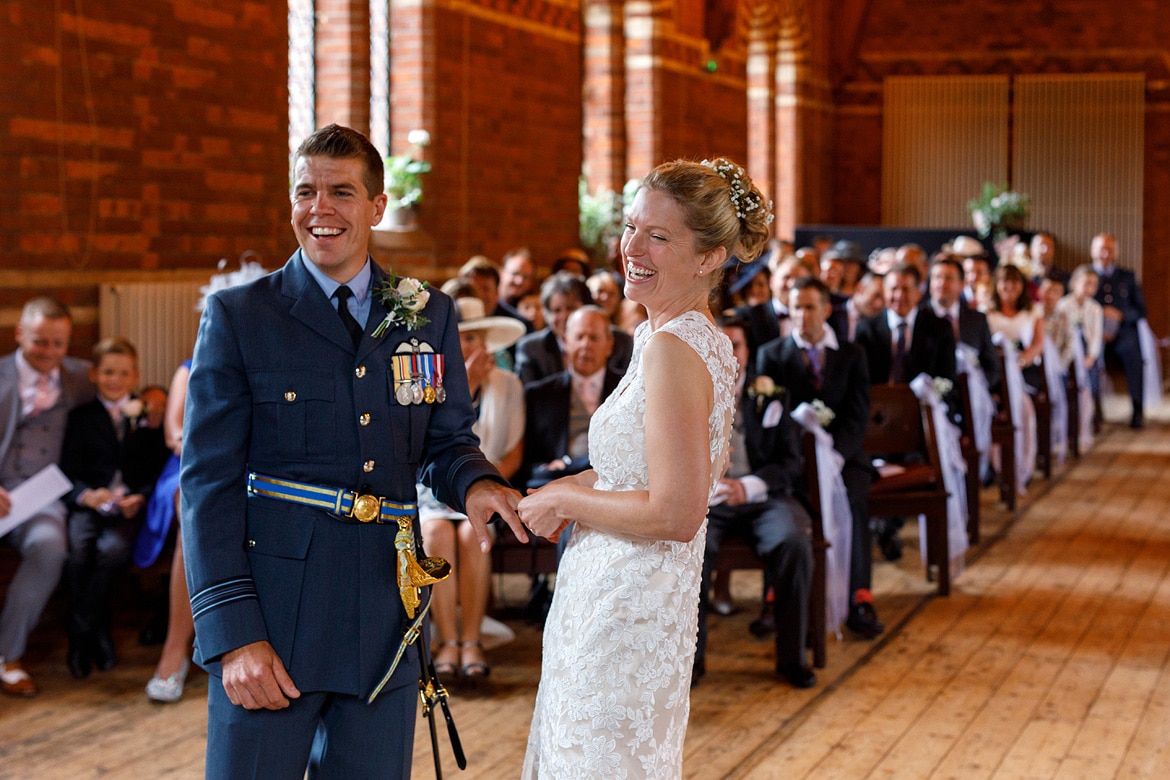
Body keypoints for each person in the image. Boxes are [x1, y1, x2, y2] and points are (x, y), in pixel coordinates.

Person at [180, 124, 526, 779]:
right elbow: (207, 485)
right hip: (274, 619)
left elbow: (444, 441)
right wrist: (233, 636)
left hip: (382, 620)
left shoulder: (425, 315)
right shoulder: (241, 316)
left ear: (376, 206)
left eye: (341, 191)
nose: (320, 209)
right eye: (305, 191)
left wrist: (477, 486)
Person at [517, 157, 771, 776]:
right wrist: (557, 488)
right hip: (616, 591)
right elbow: (632, 471)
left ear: (709, 257)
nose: (633, 247)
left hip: (628, 607)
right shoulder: (679, 335)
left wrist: (565, 503)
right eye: (632, 227)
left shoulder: (675, 348)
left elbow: (678, 510)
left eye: (659, 236)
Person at [695, 313, 815, 688]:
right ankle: (690, 666)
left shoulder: (770, 395)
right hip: (707, 502)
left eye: (737, 345)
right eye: (720, 344)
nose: (729, 353)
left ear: (748, 351)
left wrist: (750, 485)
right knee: (690, 549)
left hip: (764, 498)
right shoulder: (689, 393)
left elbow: (790, 464)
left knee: (793, 540)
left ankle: (792, 658)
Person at [757, 278, 881, 639]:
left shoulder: (851, 354)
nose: (802, 315)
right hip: (791, 461)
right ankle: (774, 594)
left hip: (844, 459)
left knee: (856, 498)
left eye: (810, 307)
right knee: (781, 502)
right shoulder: (772, 354)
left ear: (826, 310)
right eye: (796, 307)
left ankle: (859, 595)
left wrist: (835, 458)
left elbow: (858, 415)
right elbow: (768, 418)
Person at [419, 296, 526, 683]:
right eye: (462, 339)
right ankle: (446, 639)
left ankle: (471, 639)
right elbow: (427, 448)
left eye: (476, 339)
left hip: (485, 487)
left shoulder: (509, 385)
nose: (470, 348)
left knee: (472, 533)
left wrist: (485, 484)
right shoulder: (428, 381)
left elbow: (512, 453)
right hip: (430, 491)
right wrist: (465, 387)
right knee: (435, 532)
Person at [0, 298, 95, 697]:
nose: (50, 353)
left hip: (43, 497)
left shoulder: (81, 377)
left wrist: (155, 402)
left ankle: (8, 656)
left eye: (59, 344)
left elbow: (120, 395)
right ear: (20, 333)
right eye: (41, 342)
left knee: (50, 547)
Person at [60, 337, 170, 679]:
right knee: (78, 551)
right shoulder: (81, 417)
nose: (114, 379)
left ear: (134, 376)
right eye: (107, 372)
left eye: (123, 373)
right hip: (89, 506)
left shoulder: (146, 416)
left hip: (126, 508)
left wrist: (140, 496)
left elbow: (158, 468)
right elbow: (67, 470)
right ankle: (94, 632)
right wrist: (85, 494)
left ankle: (81, 632)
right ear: (93, 374)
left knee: (114, 550)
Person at [518, 306, 622, 491]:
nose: (585, 345)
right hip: (556, 486)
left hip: (613, 488)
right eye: (579, 337)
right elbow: (527, 462)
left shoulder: (628, 388)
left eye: (594, 338)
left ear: (609, 345)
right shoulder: (539, 395)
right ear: (566, 342)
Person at [514, 271, 633, 385]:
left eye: (570, 308)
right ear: (547, 314)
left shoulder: (620, 342)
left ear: (588, 307)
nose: (564, 316)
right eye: (556, 310)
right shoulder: (530, 348)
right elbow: (530, 399)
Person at [1091, 232, 1148, 428]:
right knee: (1089, 355)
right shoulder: (1085, 276)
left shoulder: (1127, 276)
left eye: (1109, 249)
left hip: (1123, 334)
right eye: (1101, 249)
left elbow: (1141, 311)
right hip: (1094, 335)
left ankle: (1137, 410)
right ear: (1093, 251)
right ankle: (1093, 412)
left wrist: (1120, 314)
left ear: (1115, 252)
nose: (1105, 254)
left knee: (1133, 353)